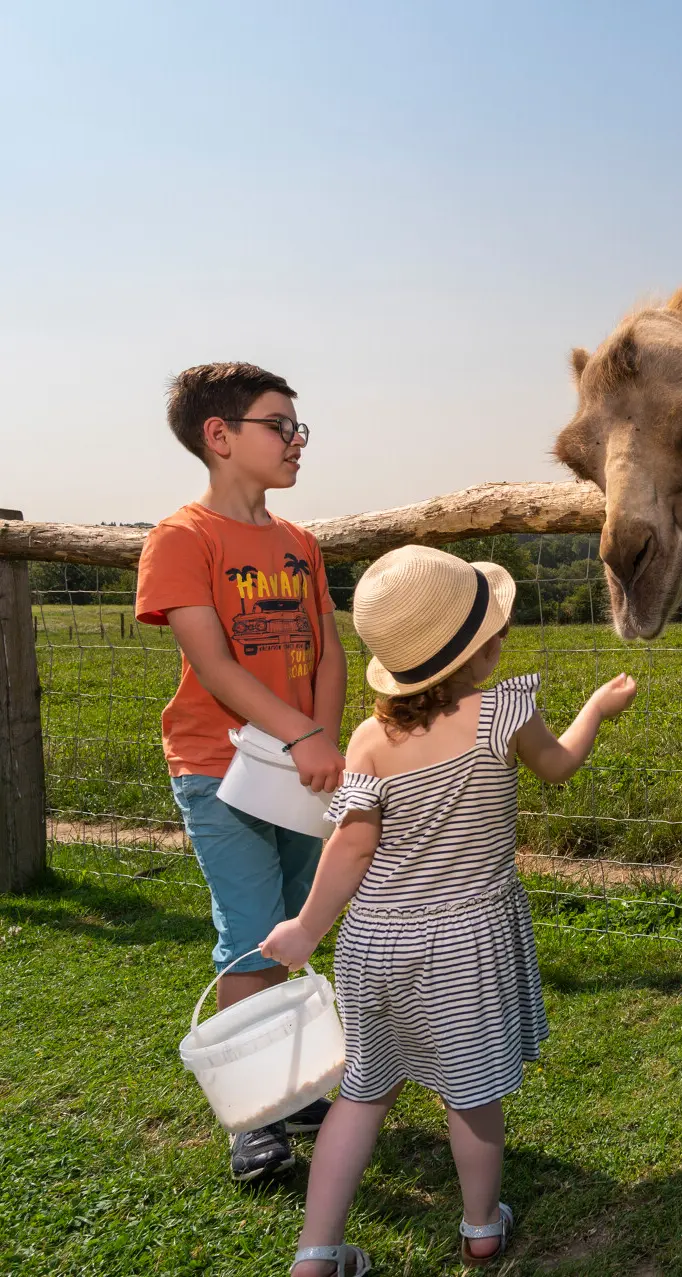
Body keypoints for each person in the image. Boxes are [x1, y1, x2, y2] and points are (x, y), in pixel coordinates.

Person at [261, 544, 638, 1277]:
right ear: (481, 649)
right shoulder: (502, 712)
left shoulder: (370, 739)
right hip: (464, 944)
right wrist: (597, 706)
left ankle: (314, 1256)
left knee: (362, 1095)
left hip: (373, 942)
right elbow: (558, 764)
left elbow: (350, 847)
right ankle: (479, 1228)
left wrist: (307, 927)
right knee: (471, 1098)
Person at [134, 362, 347, 1182]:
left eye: (299, 426)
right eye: (278, 424)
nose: (296, 440)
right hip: (219, 769)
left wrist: (321, 736)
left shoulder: (300, 543)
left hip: (301, 760)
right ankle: (252, 1120)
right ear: (218, 437)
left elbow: (326, 646)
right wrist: (302, 737)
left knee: (291, 928)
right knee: (252, 935)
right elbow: (215, 664)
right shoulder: (182, 539)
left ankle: (288, 1089)